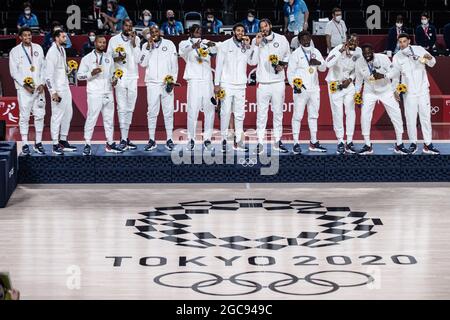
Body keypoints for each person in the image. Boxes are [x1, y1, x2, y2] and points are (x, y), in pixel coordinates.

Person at [354, 44, 409, 155]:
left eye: (369, 53)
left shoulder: (383, 58)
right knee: (365, 116)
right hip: (369, 91)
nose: (367, 55)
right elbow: (359, 80)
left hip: (386, 90)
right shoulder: (359, 62)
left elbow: (394, 72)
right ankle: (367, 145)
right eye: (365, 53)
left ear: (373, 51)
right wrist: (357, 95)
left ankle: (399, 144)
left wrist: (384, 76)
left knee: (396, 115)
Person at [392, 33, 440, 155]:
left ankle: (428, 144)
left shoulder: (418, 49)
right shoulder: (397, 57)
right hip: (409, 92)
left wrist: (429, 58)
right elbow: (395, 76)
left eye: (404, 41)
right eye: (400, 42)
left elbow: (432, 63)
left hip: (423, 90)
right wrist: (395, 90)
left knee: (425, 118)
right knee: (410, 119)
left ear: (409, 41)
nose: (402, 44)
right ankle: (413, 143)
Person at [249, 19, 290, 154]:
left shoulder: (281, 39)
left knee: (278, 113)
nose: (264, 29)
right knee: (261, 114)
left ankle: (277, 141)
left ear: (270, 26)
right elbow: (252, 62)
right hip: (263, 84)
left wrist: (282, 65)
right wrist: (256, 44)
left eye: (265, 26)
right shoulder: (257, 41)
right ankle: (260, 142)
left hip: (278, 82)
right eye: (261, 27)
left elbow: (288, 55)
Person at [78, 35, 123, 156]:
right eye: (100, 42)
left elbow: (113, 73)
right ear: (95, 43)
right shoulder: (87, 58)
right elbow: (79, 76)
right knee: (91, 118)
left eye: (104, 42)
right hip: (94, 93)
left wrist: (114, 80)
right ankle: (87, 144)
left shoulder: (109, 58)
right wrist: (91, 73)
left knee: (109, 120)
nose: (102, 44)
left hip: (108, 92)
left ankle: (110, 143)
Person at [139, 25, 178, 152]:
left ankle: (169, 139)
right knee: (152, 113)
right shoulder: (145, 46)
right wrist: (148, 49)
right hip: (152, 84)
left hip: (166, 82)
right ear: (149, 34)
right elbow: (142, 63)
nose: (154, 33)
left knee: (168, 112)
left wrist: (172, 81)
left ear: (160, 32)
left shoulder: (169, 43)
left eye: (156, 31)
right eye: (152, 32)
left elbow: (174, 65)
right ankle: (151, 140)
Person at [179, 24, 218, 151]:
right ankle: (191, 139)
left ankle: (207, 139)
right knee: (192, 110)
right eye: (196, 31)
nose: (198, 33)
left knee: (210, 110)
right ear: (190, 32)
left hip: (207, 80)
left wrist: (212, 45)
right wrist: (192, 47)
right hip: (194, 80)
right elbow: (183, 53)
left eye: (200, 31)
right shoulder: (184, 43)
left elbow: (215, 51)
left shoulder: (205, 42)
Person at [214, 23, 252, 153]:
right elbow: (218, 65)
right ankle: (223, 140)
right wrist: (217, 84)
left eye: (242, 31)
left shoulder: (245, 46)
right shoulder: (225, 45)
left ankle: (238, 141)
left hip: (240, 85)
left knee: (240, 114)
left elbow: (252, 62)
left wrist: (249, 46)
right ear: (234, 32)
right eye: (238, 30)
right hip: (227, 84)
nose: (240, 33)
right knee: (225, 113)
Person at [287, 31, 326, 155]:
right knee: (298, 116)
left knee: (314, 116)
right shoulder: (296, 54)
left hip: (314, 89)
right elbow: (290, 72)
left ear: (310, 38)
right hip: (301, 89)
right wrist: (295, 85)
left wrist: (319, 63)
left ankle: (314, 142)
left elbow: (323, 68)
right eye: (303, 39)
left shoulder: (316, 52)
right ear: (299, 41)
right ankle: (296, 143)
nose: (306, 40)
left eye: (307, 38)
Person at [9, 27, 46, 155]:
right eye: (25, 35)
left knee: (40, 115)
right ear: (20, 37)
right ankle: (25, 143)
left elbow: (43, 68)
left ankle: (38, 142)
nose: (28, 37)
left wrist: (42, 83)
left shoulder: (38, 48)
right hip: (24, 89)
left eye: (29, 35)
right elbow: (14, 72)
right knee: (24, 116)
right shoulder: (15, 51)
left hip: (38, 88)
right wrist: (25, 85)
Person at [107, 19, 141, 151]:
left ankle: (125, 137)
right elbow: (108, 59)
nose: (129, 28)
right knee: (121, 108)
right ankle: (122, 139)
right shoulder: (114, 40)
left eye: (131, 26)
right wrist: (117, 59)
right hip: (120, 76)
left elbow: (138, 59)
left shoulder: (136, 40)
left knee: (130, 108)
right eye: (126, 26)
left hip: (133, 77)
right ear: (122, 27)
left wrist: (134, 43)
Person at [325, 34, 362, 154]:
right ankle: (340, 141)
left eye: (355, 42)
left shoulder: (359, 52)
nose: (353, 44)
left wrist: (350, 79)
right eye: (351, 41)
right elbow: (327, 64)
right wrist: (340, 51)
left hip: (348, 84)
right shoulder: (338, 49)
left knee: (350, 112)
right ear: (346, 41)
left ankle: (349, 141)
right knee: (338, 113)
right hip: (335, 84)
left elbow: (357, 70)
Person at [45, 29, 77, 155]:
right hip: (57, 89)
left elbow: (61, 69)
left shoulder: (62, 50)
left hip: (65, 87)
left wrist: (69, 68)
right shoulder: (52, 53)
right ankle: (54, 144)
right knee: (57, 116)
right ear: (56, 38)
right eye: (64, 37)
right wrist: (53, 92)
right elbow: (48, 75)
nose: (66, 39)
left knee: (68, 113)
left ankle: (63, 140)